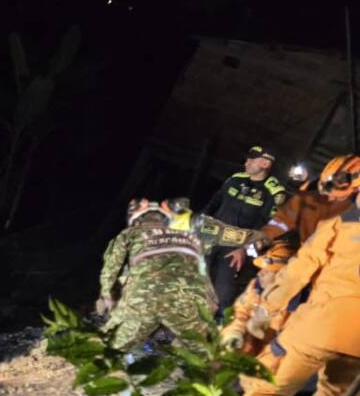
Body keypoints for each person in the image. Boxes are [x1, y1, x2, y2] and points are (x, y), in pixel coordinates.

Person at [239, 190, 360, 396]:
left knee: (266, 387)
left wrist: (266, 310)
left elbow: (296, 273)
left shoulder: (338, 226)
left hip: (321, 325)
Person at [97, 199, 216, 351]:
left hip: (144, 300)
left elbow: (111, 268)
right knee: (202, 349)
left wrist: (106, 295)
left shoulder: (130, 234)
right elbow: (202, 273)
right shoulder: (188, 238)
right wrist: (209, 302)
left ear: (136, 220)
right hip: (184, 303)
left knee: (108, 344)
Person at [230, 155, 360, 264]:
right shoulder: (309, 195)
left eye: (338, 197)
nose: (331, 199)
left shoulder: (353, 211)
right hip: (306, 256)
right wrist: (248, 248)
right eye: (326, 194)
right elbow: (279, 224)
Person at [201, 146, 286, 309]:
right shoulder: (235, 178)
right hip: (210, 238)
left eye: (251, 160)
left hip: (235, 248)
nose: (246, 163)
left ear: (265, 163)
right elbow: (215, 202)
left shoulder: (274, 192)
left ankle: (217, 326)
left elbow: (270, 229)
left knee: (223, 291)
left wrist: (246, 250)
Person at [219, 242, 293, 355]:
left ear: (281, 275)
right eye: (261, 269)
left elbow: (287, 340)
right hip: (249, 343)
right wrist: (235, 332)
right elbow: (241, 312)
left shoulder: (290, 302)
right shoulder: (255, 287)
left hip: (272, 352)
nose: (259, 274)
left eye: (267, 271)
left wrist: (260, 333)